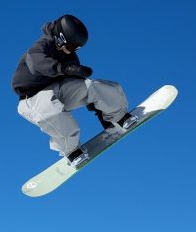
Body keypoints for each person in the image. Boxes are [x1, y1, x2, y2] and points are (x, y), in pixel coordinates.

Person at [12, 14, 137, 167]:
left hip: (58, 90)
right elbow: (36, 64)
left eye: (76, 48)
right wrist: (63, 68)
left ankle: (118, 116)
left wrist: (99, 110)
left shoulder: (69, 56)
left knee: (92, 86)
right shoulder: (42, 46)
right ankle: (71, 150)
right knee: (53, 113)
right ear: (60, 38)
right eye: (71, 47)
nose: (70, 51)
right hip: (32, 98)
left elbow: (80, 87)